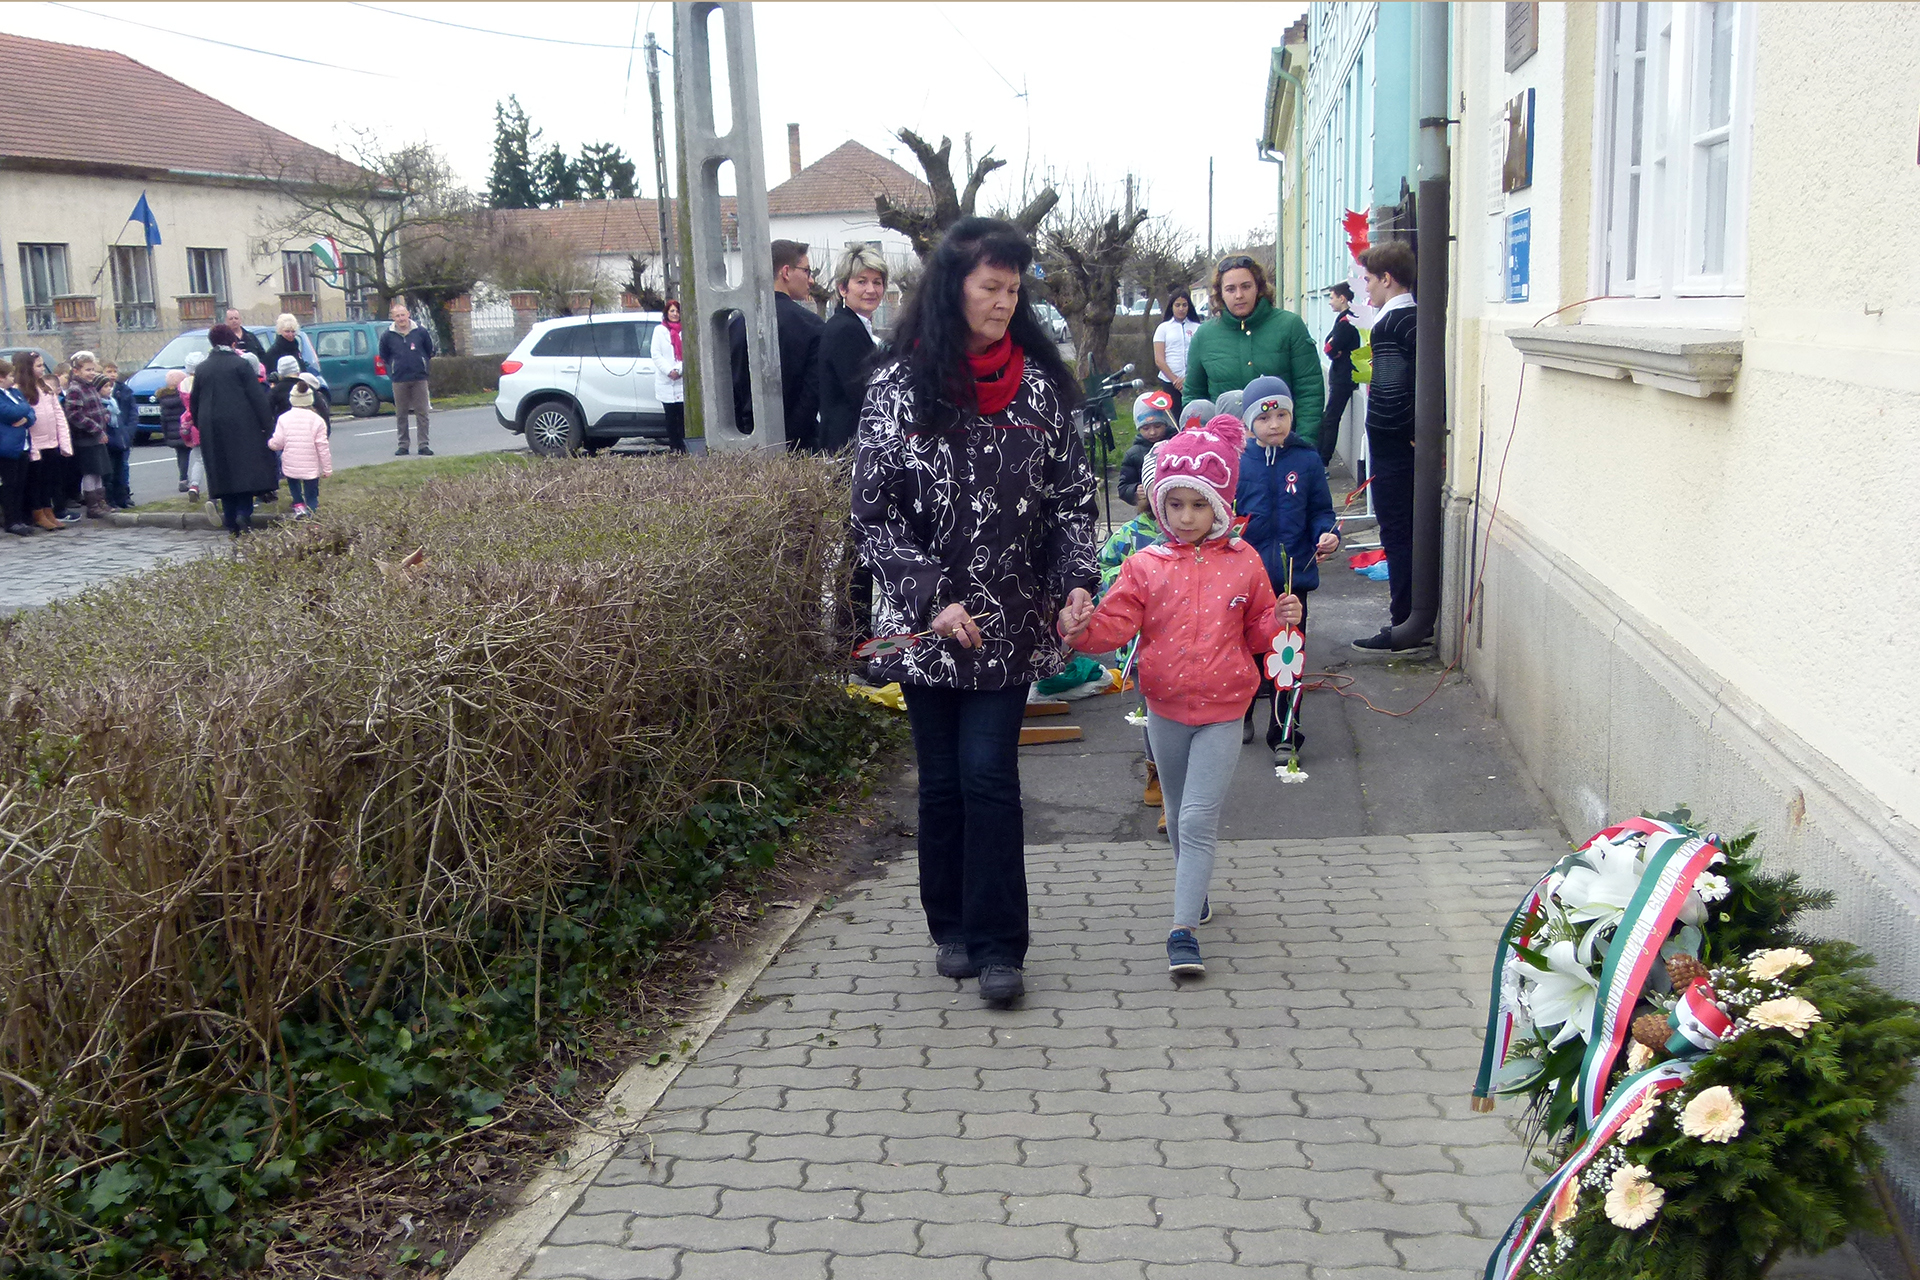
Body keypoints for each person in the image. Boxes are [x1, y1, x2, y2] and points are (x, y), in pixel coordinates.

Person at [850, 216, 1099, 1008]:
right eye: (991, 287)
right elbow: (873, 513)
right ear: (952, 288)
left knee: (988, 775)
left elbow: (1071, 503)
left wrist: (1077, 582)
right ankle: (950, 926)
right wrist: (932, 595)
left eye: (1014, 290)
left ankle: (1000, 947)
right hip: (925, 623)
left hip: (1009, 621)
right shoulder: (897, 386)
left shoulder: (1041, 388)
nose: (1003, 303)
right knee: (942, 783)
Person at [1059, 414, 1300, 976]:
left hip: (1225, 710)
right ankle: (1197, 892)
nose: (1186, 517)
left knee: (1194, 818)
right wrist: (1078, 629)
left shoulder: (1245, 563)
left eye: (1198, 505)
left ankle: (1183, 930)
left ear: (1219, 505)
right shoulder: (1143, 566)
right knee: (1174, 810)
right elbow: (1114, 626)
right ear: (1159, 505)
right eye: (1175, 505)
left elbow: (1260, 630)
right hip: (1163, 707)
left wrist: (1281, 619)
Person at [1234, 376, 1338, 758]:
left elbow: (1321, 511)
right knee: (1244, 653)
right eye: (1264, 418)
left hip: (1292, 581)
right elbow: (1223, 514)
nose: (1274, 424)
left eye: (1282, 415)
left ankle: (1285, 734)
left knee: (1287, 656)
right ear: (1249, 423)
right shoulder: (1237, 462)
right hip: (1246, 582)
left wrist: (1327, 534)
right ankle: (1240, 715)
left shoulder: (1307, 460)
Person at [1348, 241, 1423, 653]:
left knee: (1396, 533)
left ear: (1387, 279)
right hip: (1407, 445)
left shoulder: (1390, 324)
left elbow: (1392, 391)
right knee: (1410, 531)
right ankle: (1411, 617)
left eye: (1369, 280)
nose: (1367, 289)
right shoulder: (1417, 317)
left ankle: (1403, 622)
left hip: (1394, 448)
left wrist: (1400, 431)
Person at [1181, 255, 1325, 454]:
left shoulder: (1290, 326)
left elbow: (1309, 390)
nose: (1239, 295)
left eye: (1246, 286)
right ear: (1220, 293)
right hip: (1226, 451)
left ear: (1259, 288)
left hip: (1282, 446)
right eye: (1230, 289)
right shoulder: (1204, 336)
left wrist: (1304, 443)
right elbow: (1194, 396)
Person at [1097, 440, 1167, 830]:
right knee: (1151, 715)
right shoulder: (1129, 535)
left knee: (1179, 718)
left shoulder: (1200, 536)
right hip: (1141, 650)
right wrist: (1130, 582)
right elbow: (1102, 572)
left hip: (1190, 649)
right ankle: (1156, 772)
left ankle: (1176, 792)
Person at [730, 239, 823, 449]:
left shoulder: (735, 323)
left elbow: (728, 390)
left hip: (741, 444)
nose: (811, 280)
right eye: (807, 271)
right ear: (786, 272)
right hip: (798, 446)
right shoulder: (812, 326)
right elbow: (811, 396)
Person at [191, 324, 276, 537]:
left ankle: (229, 519)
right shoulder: (241, 364)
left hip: (212, 427)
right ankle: (243, 514)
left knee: (222, 473)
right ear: (233, 342)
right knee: (244, 471)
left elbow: (194, 402)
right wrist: (268, 426)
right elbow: (257, 397)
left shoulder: (202, 368)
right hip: (242, 424)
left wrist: (201, 425)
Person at [817, 244, 888, 453]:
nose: (871, 290)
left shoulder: (852, 325)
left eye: (877, 282)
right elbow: (865, 394)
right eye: (861, 282)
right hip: (848, 445)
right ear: (843, 289)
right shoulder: (845, 330)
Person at [18, 353, 71, 530]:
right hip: (35, 443)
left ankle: (49, 511)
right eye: (38, 366)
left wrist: (64, 442)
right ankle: (38, 513)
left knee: (49, 479)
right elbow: (26, 421)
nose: (42, 369)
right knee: (36, 481)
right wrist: (32, 446)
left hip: (51, 442)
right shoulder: (21, 390)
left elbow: (58, 415)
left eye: (42, 365)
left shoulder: (45, 387)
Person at [61, 352, 114, 519]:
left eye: (93, 369)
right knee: (90, 471)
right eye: (87, 370)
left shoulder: (91, 386)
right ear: (76, 371)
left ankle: (101, 501)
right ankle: (92, 506)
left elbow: (97, 407)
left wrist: (105, 415)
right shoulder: (75, 389)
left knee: (99, 471)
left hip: (97, 436)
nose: (91, 373)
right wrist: (96, 429)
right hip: (85, 438)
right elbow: (74, 414)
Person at [269, 379, 332, 518]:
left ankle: (298, 506)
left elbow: (278, 442)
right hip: (311, 465)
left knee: (294, 484)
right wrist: (327, 468)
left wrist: (271, 444)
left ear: (292, 399)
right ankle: (312, 512)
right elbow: (322, 446)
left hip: (291, 462)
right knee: (311, 491)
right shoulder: (317, 420)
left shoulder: (283, 418)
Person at [380, 300, 435, 456]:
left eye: (403, 315)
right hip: (399, 379)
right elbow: (384, 355)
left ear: (408, 314)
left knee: (422, 413)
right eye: (397, 316)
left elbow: (429, 351)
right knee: (401, 414)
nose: (401, 318)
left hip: (419, 378)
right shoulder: (387, 335)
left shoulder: (421, 332)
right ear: (393, 318)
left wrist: (421, 364)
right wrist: (394, 367)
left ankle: (423, 445)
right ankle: (403, 445)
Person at [1317, 283, 1362, 467]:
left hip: (1344, 377)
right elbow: (1329, 344)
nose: (1329, 302)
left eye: (1332, 297)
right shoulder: (1343, 320)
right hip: (1340, 375)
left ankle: (1323, 461)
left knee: (1330, 419)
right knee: (1329, 418)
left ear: (1342, 298)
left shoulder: (1346, 323)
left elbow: (1329, 347)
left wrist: (1334, 351)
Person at [1116, 389, 1174, 505]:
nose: (1152, 432)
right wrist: (1134, 491)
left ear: (1166, 424)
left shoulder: (1175, 445)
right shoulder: (1133, 455)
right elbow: (1123, 488)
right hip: (1148, 507)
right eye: (1146, 428)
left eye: (1158, 426)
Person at [0, 359, 37, 536]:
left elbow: (31, 415)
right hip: (7, 447)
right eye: (10, 375)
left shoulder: (14, 393)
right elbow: (11, 413)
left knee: (21, 484)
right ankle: (10, 520)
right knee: (9, 485)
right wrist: (24, 407)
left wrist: (26, 416)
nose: (13, 379)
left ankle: (19, 518)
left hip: (23, 445)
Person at [649, 298, 686, 453]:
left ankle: (684, 447)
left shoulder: (685, 330)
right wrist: (669, 371)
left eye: (677, 311)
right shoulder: (659, 330)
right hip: (665, 379)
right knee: (670, 417)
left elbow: (689, 353)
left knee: (682, 417)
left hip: (681, 379)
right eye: (672, 311)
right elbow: (656, 354)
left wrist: (678, 370)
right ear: (666, 313)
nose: (675, 314)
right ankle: (674, 447)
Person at [1152, 287, 1202, 397]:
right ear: (1172, 306)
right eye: (1177, 305)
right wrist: (1175, 380)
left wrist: (1186, 379)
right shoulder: (1163, 328)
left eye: (1184, 305)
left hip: (1192, 381)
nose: (1181, 309)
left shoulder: (1198, 328)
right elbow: (1159, 359)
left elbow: (1202, 356)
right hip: (1169, 381)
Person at [103, 362, 137, 508]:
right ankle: (111, 497)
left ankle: (124, 494)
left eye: (114, 371)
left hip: (123, 436)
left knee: (123, 466)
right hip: (110, 437)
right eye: (108, 371)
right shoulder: (100, 393)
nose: (112, 375)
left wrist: (128, 432)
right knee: (111, 468)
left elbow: (133, 413)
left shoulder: (124, 390)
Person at [158, 369, 191, 491]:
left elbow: (163, 419)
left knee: (181, 455)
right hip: (187, 430)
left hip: (173, 432)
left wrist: (166, 434)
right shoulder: (183, 397)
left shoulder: (163, 399)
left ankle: (183, 478)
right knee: (198, 456)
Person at [224, 308, 269, 372]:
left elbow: (262, 355)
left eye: (236, 318)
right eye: (231, 319)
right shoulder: (225, 339)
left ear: (240, 320)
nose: (234, 321)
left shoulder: (250, 336)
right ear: (226, 321)